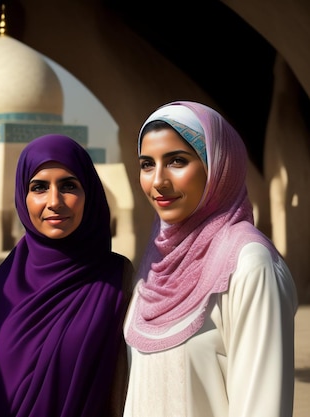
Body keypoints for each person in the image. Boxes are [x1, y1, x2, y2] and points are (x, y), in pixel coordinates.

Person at [123, 101, 298, 417]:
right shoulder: (156, 264)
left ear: (218, 165)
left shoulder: (249, 264)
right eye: (147, 164)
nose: (158, 181)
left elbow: (262, 408)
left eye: (177, 161)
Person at [0, 134, 133, 417]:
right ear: (22, 196)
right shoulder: (6, 280)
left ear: (89, 193)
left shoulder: (116, 278)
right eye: (39, 187)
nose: (54, 201)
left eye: (68, 185)